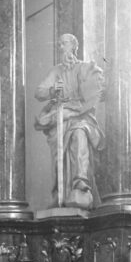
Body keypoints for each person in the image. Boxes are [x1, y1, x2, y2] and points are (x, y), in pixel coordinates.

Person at [34, 33, 105, 210]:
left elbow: (93, 91)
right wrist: (52, 90)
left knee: (79, 134)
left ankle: (80, 182)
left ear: (74, 46)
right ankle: (61, 193)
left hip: (81, 115)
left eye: (64, 44)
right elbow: (39, 92)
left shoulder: (84, 68)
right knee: (59, 157)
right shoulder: (56, 71)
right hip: (60, 117)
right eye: (59, 45)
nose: (60, 48)